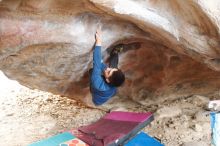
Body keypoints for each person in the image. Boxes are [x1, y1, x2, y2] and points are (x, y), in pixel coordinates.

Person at [90, 27, 125, 106]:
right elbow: (107, 69)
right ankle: (115, 53)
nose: (108, 68)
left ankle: (114, 57)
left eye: (109, 72)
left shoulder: (97, 84)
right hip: (110, 90)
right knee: (113, 67)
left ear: (108, 80)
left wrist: (98, 41)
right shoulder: (114, 82)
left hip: (97, 98)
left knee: (92, 71)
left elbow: (96, 62)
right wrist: (105, 67)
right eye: (111, 69)